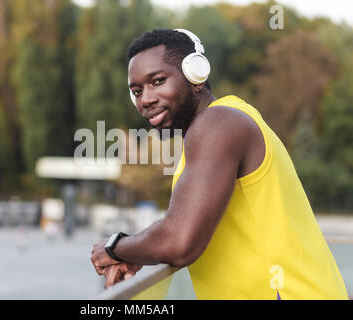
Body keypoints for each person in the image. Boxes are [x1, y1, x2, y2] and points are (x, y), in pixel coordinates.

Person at [91, 28, 348, 299]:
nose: (146, 100)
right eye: (137, 90)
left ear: (196, 75)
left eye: (158, 81)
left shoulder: (218, 125)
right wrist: (138, 251)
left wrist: (114, 247)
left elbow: (180, 242)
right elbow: (180, 225)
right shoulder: (226, 121)